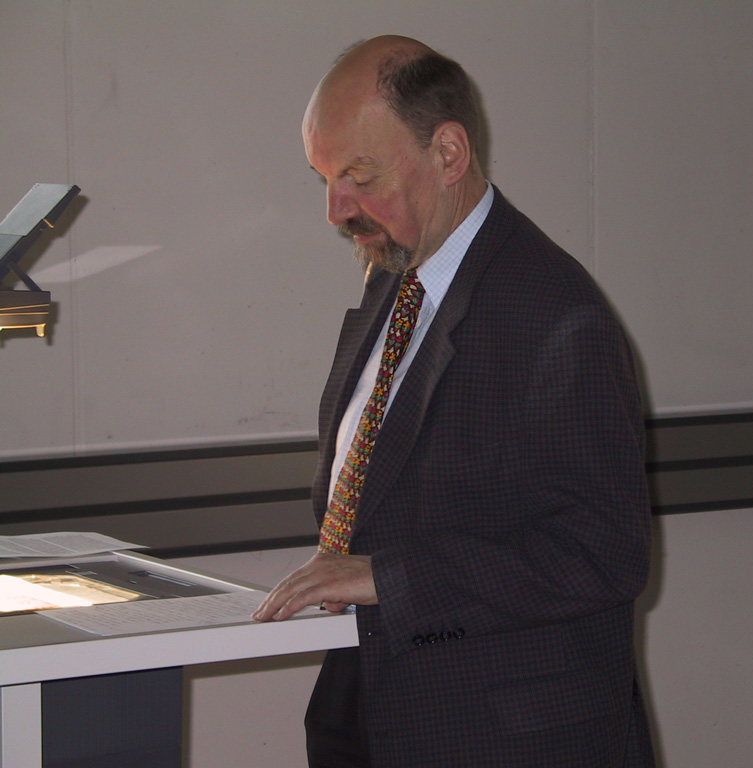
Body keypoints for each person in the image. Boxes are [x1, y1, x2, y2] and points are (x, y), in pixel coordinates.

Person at [254, 35, 655, 768]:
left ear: (448, 153)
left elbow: (604, 551)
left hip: (504, 739)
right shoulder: (394, 277)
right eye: (325, 179)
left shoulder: (558, 314)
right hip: (372, 707)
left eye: (359, 176)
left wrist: (387, 578)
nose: (335, 209)